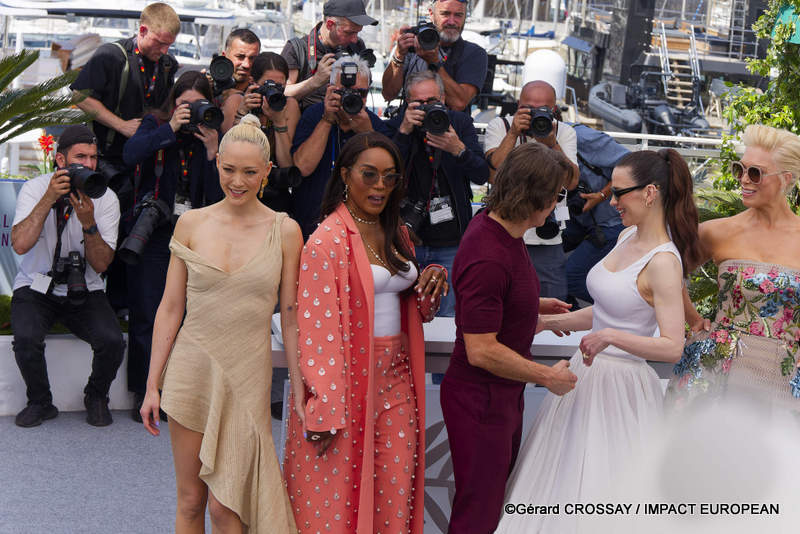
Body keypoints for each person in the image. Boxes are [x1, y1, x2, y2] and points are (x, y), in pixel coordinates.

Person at [495, 148, 703, 534]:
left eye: (620, 192)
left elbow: (672, 345)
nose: (611, 200)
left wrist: (608, 337)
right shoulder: (626, 236)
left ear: (650, 193)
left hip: (620, 389)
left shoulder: (663, 262)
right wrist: (545, 322)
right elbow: (610, 309)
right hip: (584, 379)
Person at [139, 115, 301, 532]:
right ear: (217, 164)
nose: (238, 181)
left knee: (228, 508)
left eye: (250, 172)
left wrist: (300, 386)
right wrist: (152, 383)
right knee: (191, 500)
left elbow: (291, 314)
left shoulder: (285, 231)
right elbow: (171, 307)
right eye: (229, 169)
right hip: (191, 370)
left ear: (267, 172)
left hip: (247, 376)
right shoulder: (192, 223)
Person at [283, 131, 446, 534]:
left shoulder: (398, 232)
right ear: (344, 174)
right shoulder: (326, 241)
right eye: (369, 175)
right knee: (336, 502)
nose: (380, 186)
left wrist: (433, 279)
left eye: (390, 178)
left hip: (396, 379)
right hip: (345, 382)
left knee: (395, 491)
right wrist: (322, 410)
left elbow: (416, 310)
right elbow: (316, 334)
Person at [441, 142, 578, 534]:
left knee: (486, 504)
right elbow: (482, 349)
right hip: (481, 399)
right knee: (478, 513)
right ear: (536, 197)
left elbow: (495, 310)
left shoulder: (502, 231)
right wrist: (546, 376)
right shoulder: (489, 252)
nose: (557, 203)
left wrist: (531, 309)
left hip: (497, 396)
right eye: (557, 194)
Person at [667, 124, 800, 410]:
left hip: (785, 379)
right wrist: (692, 319)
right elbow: (666, 272)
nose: (743, 180)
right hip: (715, 374)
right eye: (739, 169)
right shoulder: (718, 232)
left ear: (785, 179)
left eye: (755, 173)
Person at [122, 71, 225, 423]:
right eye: (185, 105)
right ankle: (144, 389)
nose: (191, 112)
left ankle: (178, 389)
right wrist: (170, 128)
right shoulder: (156, 124)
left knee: (188, 318)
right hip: (155, 234)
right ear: (173, 103)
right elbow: (130, 154)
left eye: (198, 105)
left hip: (195, 238)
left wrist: (213, 150)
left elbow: (219, 196)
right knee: (148, 312)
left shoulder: (211, 133)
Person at [10, 125, 124, 428]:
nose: (88, 165)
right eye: (80, 157)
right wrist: (49, 198)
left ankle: (96, 396)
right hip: (36, 283)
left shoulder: (106, 198)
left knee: (112, 341)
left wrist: (89, 223)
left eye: (93, 158)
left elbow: (101, 265)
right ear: (60, 160)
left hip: (85, 285)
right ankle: (40, 402)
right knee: (25, 338)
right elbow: (20, 244)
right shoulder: (36, 187)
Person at [389, 69, 488, 316]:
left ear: (443, 100)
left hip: (450, 242)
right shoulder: (399, 125)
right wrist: (403, 133)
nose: (426, 108)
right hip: (405, 241)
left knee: (446, 315)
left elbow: (481, 175)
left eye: (432, 102)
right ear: (408, 103)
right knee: (402, 314)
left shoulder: (459, 123)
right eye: (419, 103)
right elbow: (386, 174)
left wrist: (458, 149)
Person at [71, 2, 179, 207]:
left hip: (145, 161)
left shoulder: (167, 64)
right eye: (159, 43)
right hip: (108, 160)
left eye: (169, 45)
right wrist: (121, 125)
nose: (164, 50)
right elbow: (79, 97)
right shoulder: (111, 56)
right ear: (142, 30)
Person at [484, 80, 579, 301]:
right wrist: (513, 134)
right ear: (518, 106)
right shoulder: (501, 127)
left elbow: (571, 182)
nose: (536, 114)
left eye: (542, 109)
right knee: (502, 296)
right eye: (529, 108)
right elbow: (493, 174)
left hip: (547, 235)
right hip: (504, 230)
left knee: (552, 299)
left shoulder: (563, 132)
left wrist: (552, 143)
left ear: (554, 110)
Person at [291, 54, 393, 239]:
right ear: (330, 90)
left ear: (368, 92)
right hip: (312, 226)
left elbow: (386, 180)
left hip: (359, 230)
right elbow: (302, 168)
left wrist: (366, 134)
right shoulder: (314, 115)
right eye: (344, 91)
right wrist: (327, 120)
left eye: (359, 93)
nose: (351, 98)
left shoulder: (375, 126)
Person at [222, 52, 301, 214]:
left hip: (275, 196)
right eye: (268, 84)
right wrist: (241, 113)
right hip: (237, 189)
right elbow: (226, 155)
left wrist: (279, 122)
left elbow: (287, 164)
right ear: (253, 82)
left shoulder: (289, 106)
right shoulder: (236, 101)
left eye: (280, 86)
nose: (274, 91)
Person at [562, 124, 629, 307]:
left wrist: (602, 195)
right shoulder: (525, 140)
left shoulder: (581, 137)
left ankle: (622, 309)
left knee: (570, 277)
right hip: (578, 218)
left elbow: (631, 164)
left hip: (611, 222)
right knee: (542, 260)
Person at [382, 0, 488, 111]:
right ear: (431, 14)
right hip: (408, 124)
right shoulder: (412, 44)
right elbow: (388, 95)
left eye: (458, 15)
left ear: (465, 17)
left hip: (449, 126)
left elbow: (459, 103)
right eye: (445, 14)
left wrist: (435, 63)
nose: (452, 21)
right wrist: (399, 55)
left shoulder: (474, 53)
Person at [281, 0, 377, 111]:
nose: (355, 39)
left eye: (357, 32)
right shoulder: (297, 49)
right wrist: (315, 81)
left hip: (348, 118)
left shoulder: (357, 46)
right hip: (310, 122)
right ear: (330, 24)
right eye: (349, 32)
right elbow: (282, 94)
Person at [221, 28, 261, 94]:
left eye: (252, 58)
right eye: (240, 57)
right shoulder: (207, 90)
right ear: (224, 57)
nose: (246, 65)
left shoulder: (260, 94)